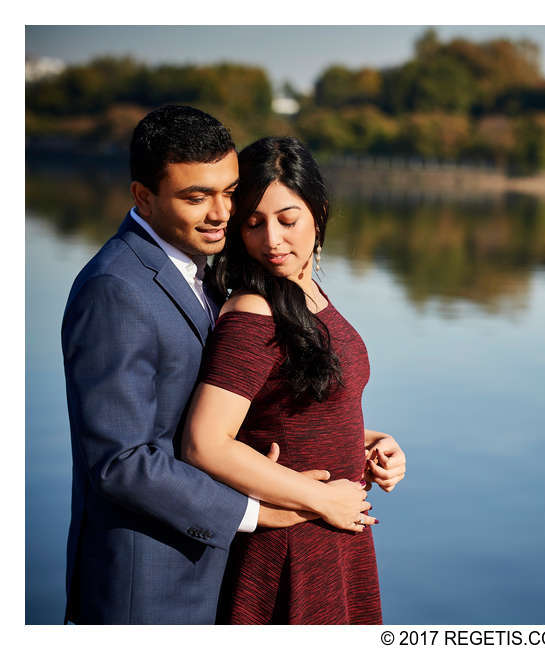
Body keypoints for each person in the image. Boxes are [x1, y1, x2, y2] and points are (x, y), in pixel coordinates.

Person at [61, 106, 332, 624]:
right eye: (195, 197)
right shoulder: (114, 290)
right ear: (143, 196)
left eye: (228, 191)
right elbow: (120, 463)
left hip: (209, 573)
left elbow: (205, 406)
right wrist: (255, 513)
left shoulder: (200, 271)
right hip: (146, 590)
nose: (221, 213)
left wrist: (352, 436)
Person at [181, 135, 405, 625]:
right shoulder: (253, 311)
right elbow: (203, 443)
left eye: (287, 220)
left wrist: (374, 442)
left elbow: (291, 413)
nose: (272, 241)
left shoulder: (306, 292)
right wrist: (321, 498)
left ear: (319, 212)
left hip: (334, 531)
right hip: (290, 542)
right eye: (254, 224)